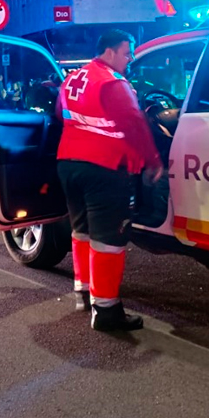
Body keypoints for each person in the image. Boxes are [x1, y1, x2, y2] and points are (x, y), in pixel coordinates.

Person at [57, 29, 163, 332]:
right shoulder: (112, 82)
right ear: (109, 52)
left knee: (82, 231)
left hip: (68, 164)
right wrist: (152, 161)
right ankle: (106, 310)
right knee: (109, 240)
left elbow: (61, 114)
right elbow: (133, 122)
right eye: (127, 52)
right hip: (102, 168)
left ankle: (84, 292)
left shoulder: (73, 78)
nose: (129, 59)